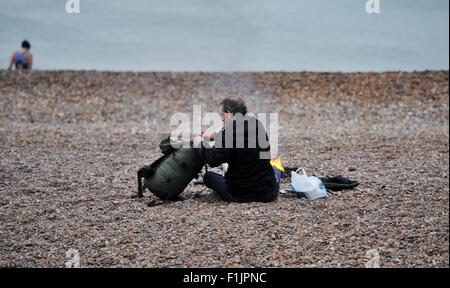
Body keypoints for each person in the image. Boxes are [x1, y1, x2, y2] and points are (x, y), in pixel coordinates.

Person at [193, 97, 279, 203]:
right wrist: (214, 136)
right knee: (275, 170)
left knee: (209, 177)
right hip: (268, 193)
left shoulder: (229, 132)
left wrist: (200, 144)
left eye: (222, 115)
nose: (222, 119)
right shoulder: (257, 124)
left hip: (239, 194)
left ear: (229, 113)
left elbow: (213, 159)